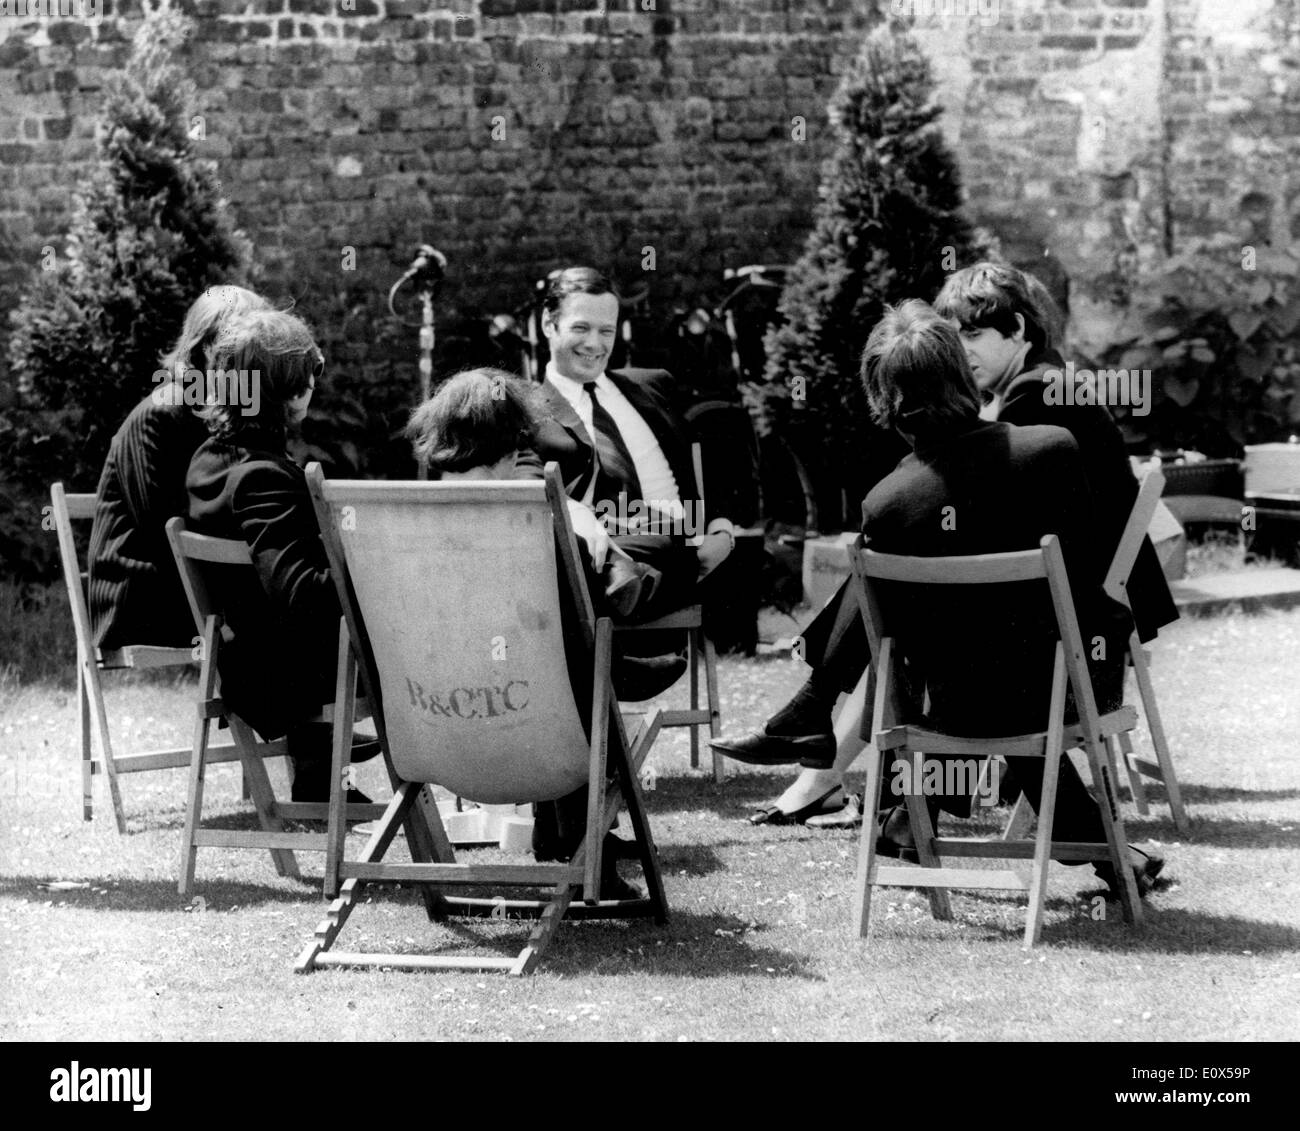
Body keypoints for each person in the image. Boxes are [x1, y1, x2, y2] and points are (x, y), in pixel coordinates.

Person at [769, 302, 1163, 896]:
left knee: (947, 648)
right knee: (1022, 664)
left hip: (950, 709)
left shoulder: (889, 501)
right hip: (1069, 686)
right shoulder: (1051, 450)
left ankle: (853, 746)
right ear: (963, 376)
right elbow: (1083, 581)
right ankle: (1091, 845)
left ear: (885, 402)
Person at [405, 367, 647, 900]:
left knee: (544, 660)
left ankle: (558, 835)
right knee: (573, 662)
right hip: (533, 721)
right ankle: (585, 849)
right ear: (514, 445)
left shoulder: (401, 522)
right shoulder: (533, 519)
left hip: (429, 726)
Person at [185, 308, 377, 803]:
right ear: (290, 391)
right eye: (310, 375)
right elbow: (298, 593)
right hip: (283, 678)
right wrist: (374, 567)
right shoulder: (264, 477)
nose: (315, 385)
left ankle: (318, 775)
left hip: (248, 661)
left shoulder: (209, 460)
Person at [520, 266, 737, 630]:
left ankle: (628, 592)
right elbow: (525, 483)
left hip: (677, 537)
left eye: (606, 331)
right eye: (580, 328)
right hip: (607, 546)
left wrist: (721, 528)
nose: (595, 344)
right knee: (583, 557)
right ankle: (631, 594)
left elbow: (706, 458)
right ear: (548, 324)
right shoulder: (527, 409)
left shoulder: (652, 386)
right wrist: (575, 513)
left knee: (659, 546)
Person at [88, 285, 269, 650]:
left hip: (191, 581)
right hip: (140, 593)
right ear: (205, 349)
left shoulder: (225, 414)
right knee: (269, 614)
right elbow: (162, 528)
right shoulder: (158, 415)